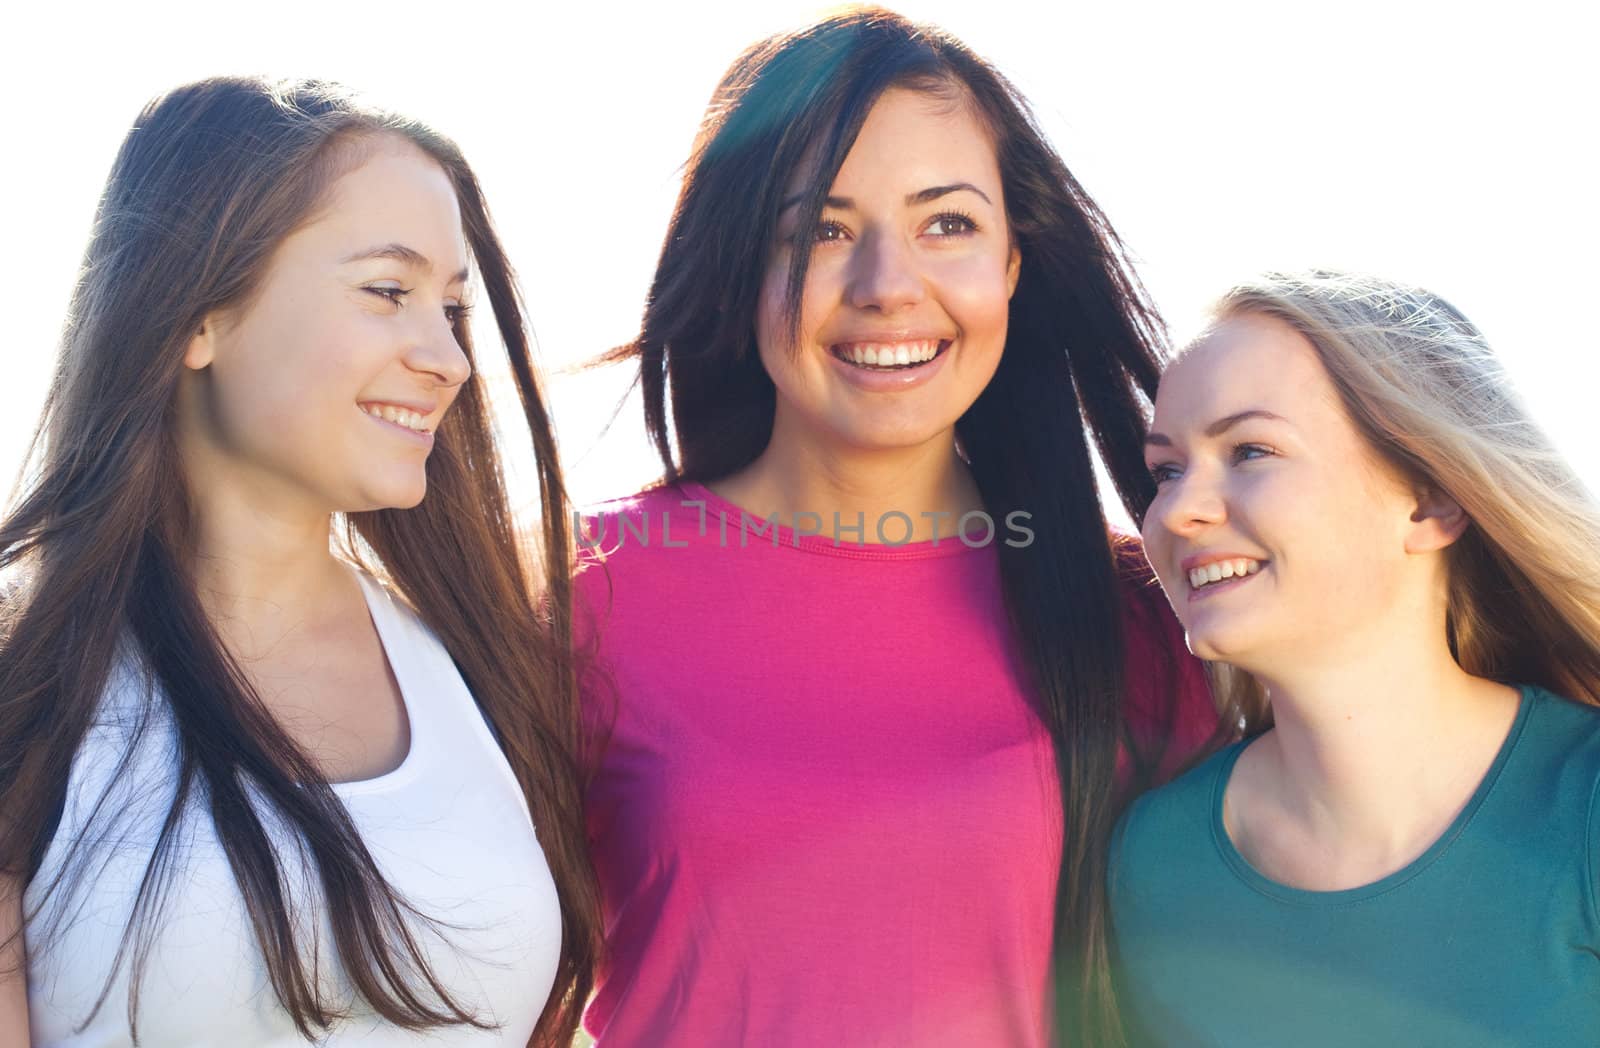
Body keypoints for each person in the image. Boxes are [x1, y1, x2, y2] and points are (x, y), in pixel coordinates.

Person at [575, 8, 1226, 1044]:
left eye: (947, 224)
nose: (886, 286)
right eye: (820, 231)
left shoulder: (1151, 620)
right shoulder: (587, 590)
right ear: (744, 268)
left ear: (1013, 264)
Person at [0, 77, 600, 1046]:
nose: (446, 357)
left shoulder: (481, 665)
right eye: (387, 292)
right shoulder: (28, 677)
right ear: (196, 315)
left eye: (451, 308)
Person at [1112, 271, 1600, 1046]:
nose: (1177, 511)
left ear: (1430, 500)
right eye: (1166, 470)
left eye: (1250, 450)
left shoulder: (1585, 805)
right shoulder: (1151, 858)